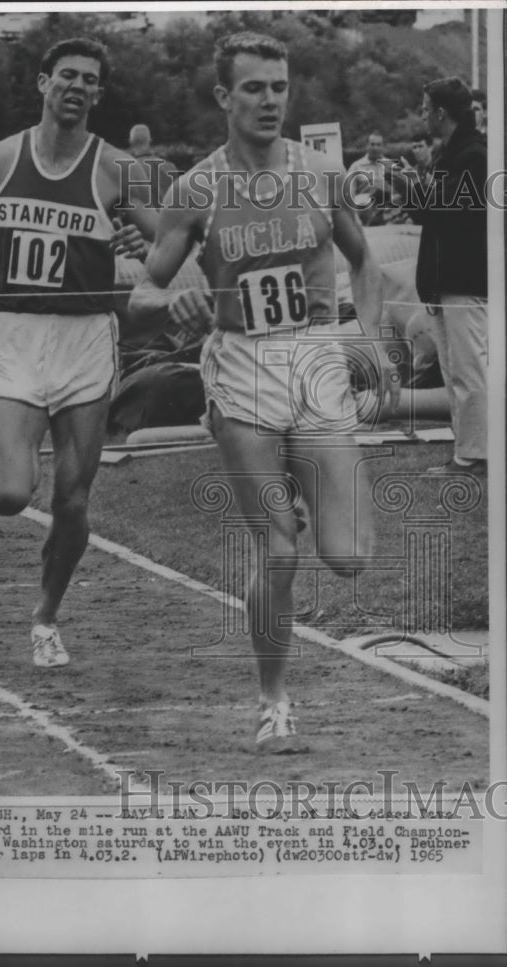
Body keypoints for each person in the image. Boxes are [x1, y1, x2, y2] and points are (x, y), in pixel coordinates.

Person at [129, 32, 398, 753]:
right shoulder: (194, 190)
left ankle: (320, 480)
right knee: (277, 552)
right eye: (254, 87)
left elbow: (365, 262)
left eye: (278, 87)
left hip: (313, 357)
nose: (270, 100)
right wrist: (171, 306)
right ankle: (272, 700)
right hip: (241, 367)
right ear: (224, 96)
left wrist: (366, 337)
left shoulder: (318, 174)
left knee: (346, 558)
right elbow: (144, 291)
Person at [0, 37, 159, 668]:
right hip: (17, 334)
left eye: (89, 80)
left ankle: (45, 616)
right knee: (9, 493)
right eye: (67, 76)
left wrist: (144, 255)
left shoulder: (116, 168)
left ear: (98, 94)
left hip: (86, 338)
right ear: (43, 82)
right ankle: (13, 451)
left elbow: (171, 239)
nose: (77, 87)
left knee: (72, 497)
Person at [389, 77, 487, 475]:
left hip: (464, 279)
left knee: (468, 368)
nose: (422, 115)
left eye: (426, 108)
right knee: (455, 369)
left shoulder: (472, 156)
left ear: (442, 112)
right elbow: (438, 213)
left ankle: (477, 455)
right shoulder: (454, 153)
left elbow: (446, 217)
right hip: (448, 280)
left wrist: (407, 189)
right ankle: (469, 451)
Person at [346, 131, 399, 225]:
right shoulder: (357, 166)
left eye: (378, 145)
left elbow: (399, 193)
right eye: (372, 144)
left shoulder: (391, 166)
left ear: (383, 147)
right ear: (367, 146)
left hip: (388, 217)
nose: (375, 148)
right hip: (364, 216)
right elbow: (348, 194)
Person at [128, 124, 177, 209]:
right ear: (150, 140)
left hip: (142, 220)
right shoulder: (170, 167)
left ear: (130, 141)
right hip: (167, 219)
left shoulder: (127, 171)